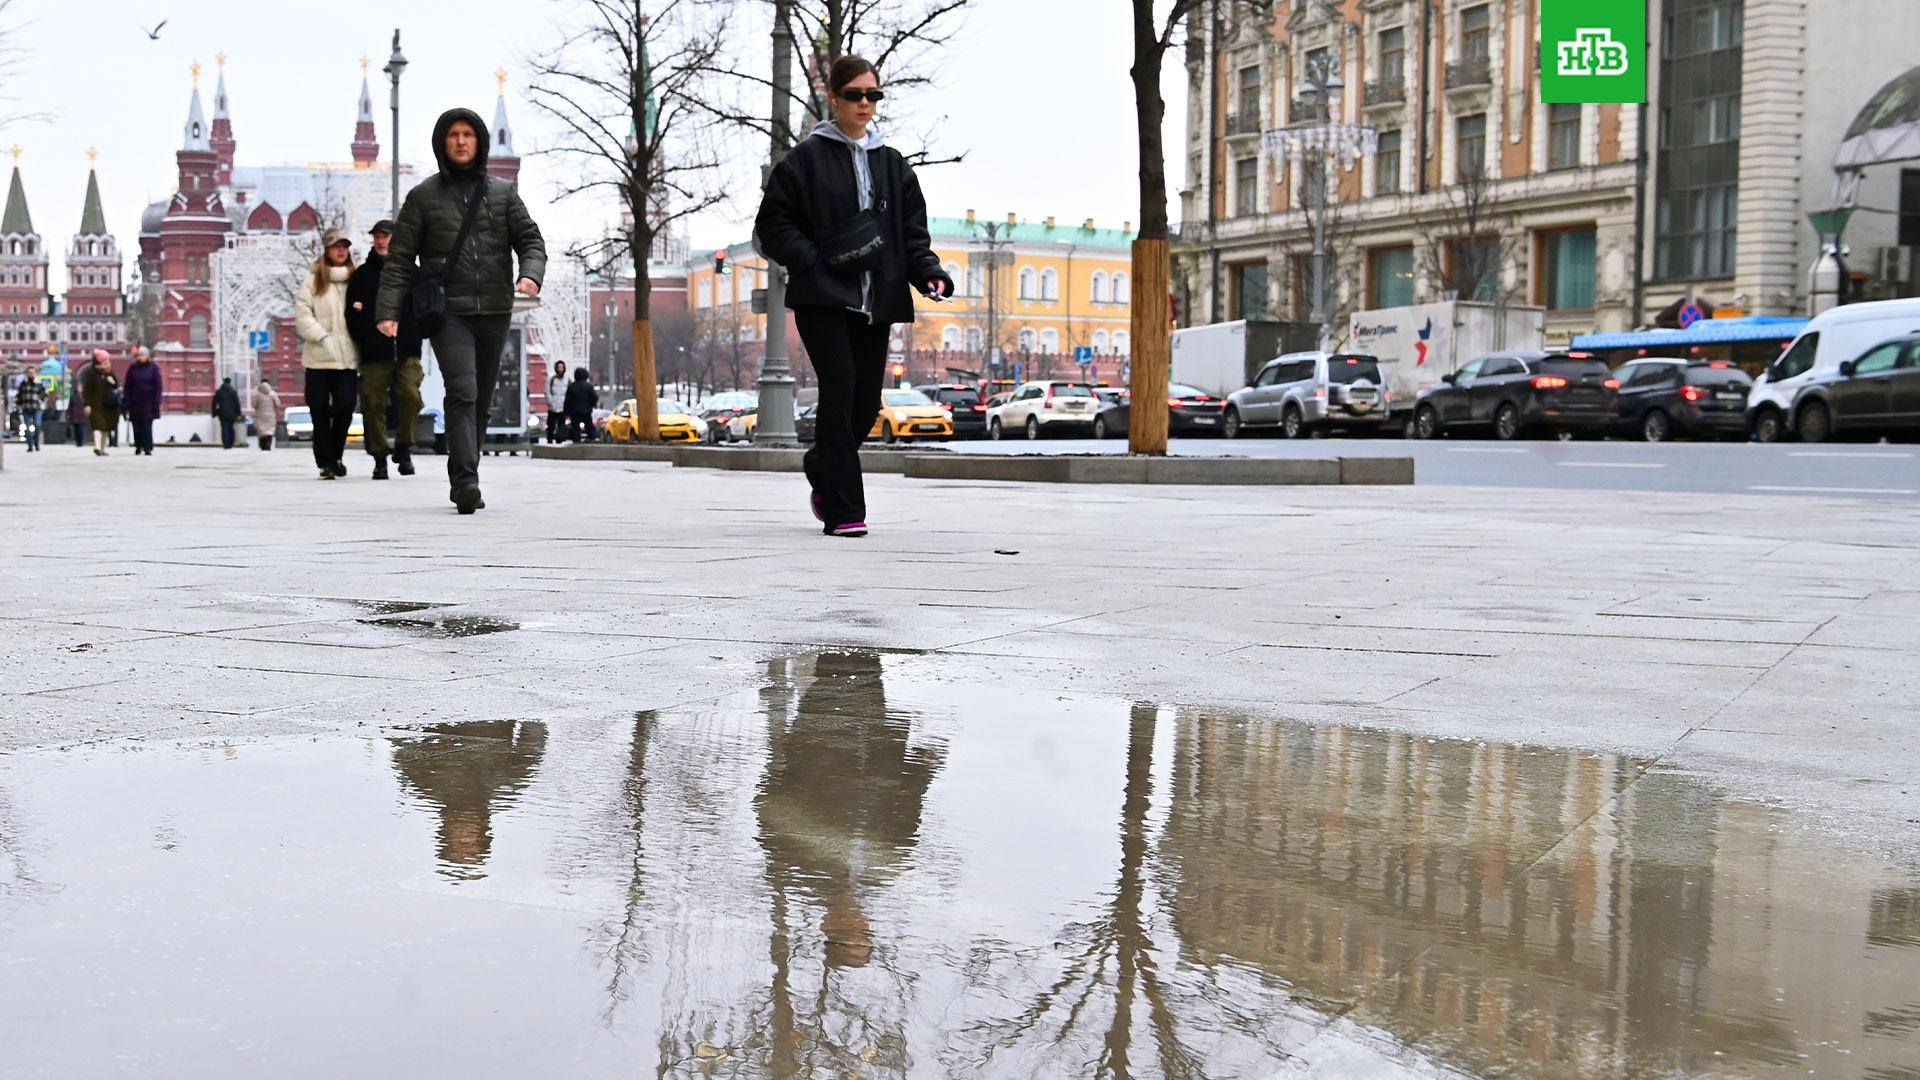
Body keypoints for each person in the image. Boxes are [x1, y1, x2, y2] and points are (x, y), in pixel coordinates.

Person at [754, 56, 951, 538]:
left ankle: (823, 463)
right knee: (839, 389)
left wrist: (929, 273)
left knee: (864, 404)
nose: (865, 104)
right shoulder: (805, 160)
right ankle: (844, 510)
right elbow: (771, 225)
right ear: (834, 99)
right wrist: (808, 259)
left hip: (875, 301)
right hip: (823, 297)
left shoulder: (893, 164)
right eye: (856, 95)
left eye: (873, 95)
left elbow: (912, 233)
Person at [376, 108, 546, 515]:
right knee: (463, 391)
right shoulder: (423, 197)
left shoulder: (503, 194)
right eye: (453, 134)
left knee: (481, 398)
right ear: (442, 142)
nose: (461, 141)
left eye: (468, 134)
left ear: (480, 141)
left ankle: (468, 469)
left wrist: (531, 276)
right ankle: (465, 481)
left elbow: (531, 240)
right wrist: (388, 310)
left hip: (494, 308)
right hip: (449, 311)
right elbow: (399, 260)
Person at [347, 219, 425, 479]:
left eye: (386, 236)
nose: (381, 241)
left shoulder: (411, 273)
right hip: (374, 353)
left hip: (406, 349)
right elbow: (352, 315)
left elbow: (423, 310)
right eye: (377, 236)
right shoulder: (362, 275)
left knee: (412, 398)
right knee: (372, 402)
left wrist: (413, 333)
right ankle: (379, 456)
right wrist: (367, 339)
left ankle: (404, 447)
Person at [297, 229, 361, 480]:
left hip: (347, 357)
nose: (341, 250)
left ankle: (336, 454)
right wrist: (321, 336)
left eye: (345, 246)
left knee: (345, 407)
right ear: (327, 250)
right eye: (336, 246)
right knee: (319, 409)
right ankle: (325, 461)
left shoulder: (355, 280)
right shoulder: (313, 281)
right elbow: (302, 315)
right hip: (319, 357)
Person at [123, 348, 164, 456]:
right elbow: (127, 386)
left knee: (146, 425)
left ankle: (147, 447)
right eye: (139, 355)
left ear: (147, 356)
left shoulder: (153, 369)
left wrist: (156, 401)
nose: (141, 357)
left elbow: (158, 386)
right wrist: (127, 400)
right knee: (136, 425)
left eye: (143, 355)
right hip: (135, 401)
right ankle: (138, 446)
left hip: (148, 401)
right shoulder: (132, 369)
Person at [82, 350, 119, 456]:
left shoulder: (110, 372)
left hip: (108, 405)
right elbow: (87, 390)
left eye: (108, 362)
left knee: (106, 428)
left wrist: (112, 381)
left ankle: (102, 448)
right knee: (98, 426)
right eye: (105, 362)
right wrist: (87, 404)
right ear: (99, 363)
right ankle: (97, 447)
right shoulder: (91, 373)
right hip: (95, 405)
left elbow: (116, 385)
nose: (108, 364)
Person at [562, 366, 597, 442]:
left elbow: (567, 400)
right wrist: (591, 405)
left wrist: (566, 412)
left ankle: (576, 442)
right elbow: (594, 397)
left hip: (574, 411)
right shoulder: (589, 386)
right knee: (589, 426)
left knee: (575, 428)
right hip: (586, 411)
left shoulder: (571, 387)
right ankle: (592, 439)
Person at [13, 373, 44, 451]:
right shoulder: (23, 384)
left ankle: (36, 442)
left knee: (37, 425)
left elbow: (44, 394)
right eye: (29, 373)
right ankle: (30, 445)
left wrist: (41, 400)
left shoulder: (39, 383)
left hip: (37, 408)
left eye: (32, 372)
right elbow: (19, 395)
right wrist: (18, 404)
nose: (31, 374)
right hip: (26, 408)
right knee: (26, 428)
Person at [211, 375, 242, 450]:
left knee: (224, 428)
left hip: (222, 413)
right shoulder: (233, 392)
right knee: (231, 428)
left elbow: (214, 403)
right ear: (230, 382)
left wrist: (214, 413)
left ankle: (225, 444)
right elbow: (237, 403)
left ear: (223, 382)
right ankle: (231, 443)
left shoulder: (219, 392)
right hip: (232, 414)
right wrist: (238, 413)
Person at [252, 377, 282, 451]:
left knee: (262, 431)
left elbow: (254, 404)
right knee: (270, 430)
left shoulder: (257, 394)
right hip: (271, 415)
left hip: (260, 415)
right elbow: (277, 404)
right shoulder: (273, 393)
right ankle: (268, 443)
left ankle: (263, 445)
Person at [544, 360, 568, 444]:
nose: (560, 369)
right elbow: (547, 392)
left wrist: (566, 404)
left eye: (562, 367)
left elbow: (569, 393)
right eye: (559, 367)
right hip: (552, 407)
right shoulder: (551, 379)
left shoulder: (567, 380)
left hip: (562, 407)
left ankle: (559, 440)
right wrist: (550, 402)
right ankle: (549, 440)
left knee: (561, 426)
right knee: (551, 425)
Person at [65, 373, 87, 447]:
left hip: (82, 415)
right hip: (74, 415)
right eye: (78, 387)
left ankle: (81, 442)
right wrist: (68, 414)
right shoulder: (73, 396)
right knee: (76, 429)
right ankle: (77, 441)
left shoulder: (85, 396)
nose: (79, 389)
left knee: (81, 429)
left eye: (80, 387)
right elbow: (70, 406)